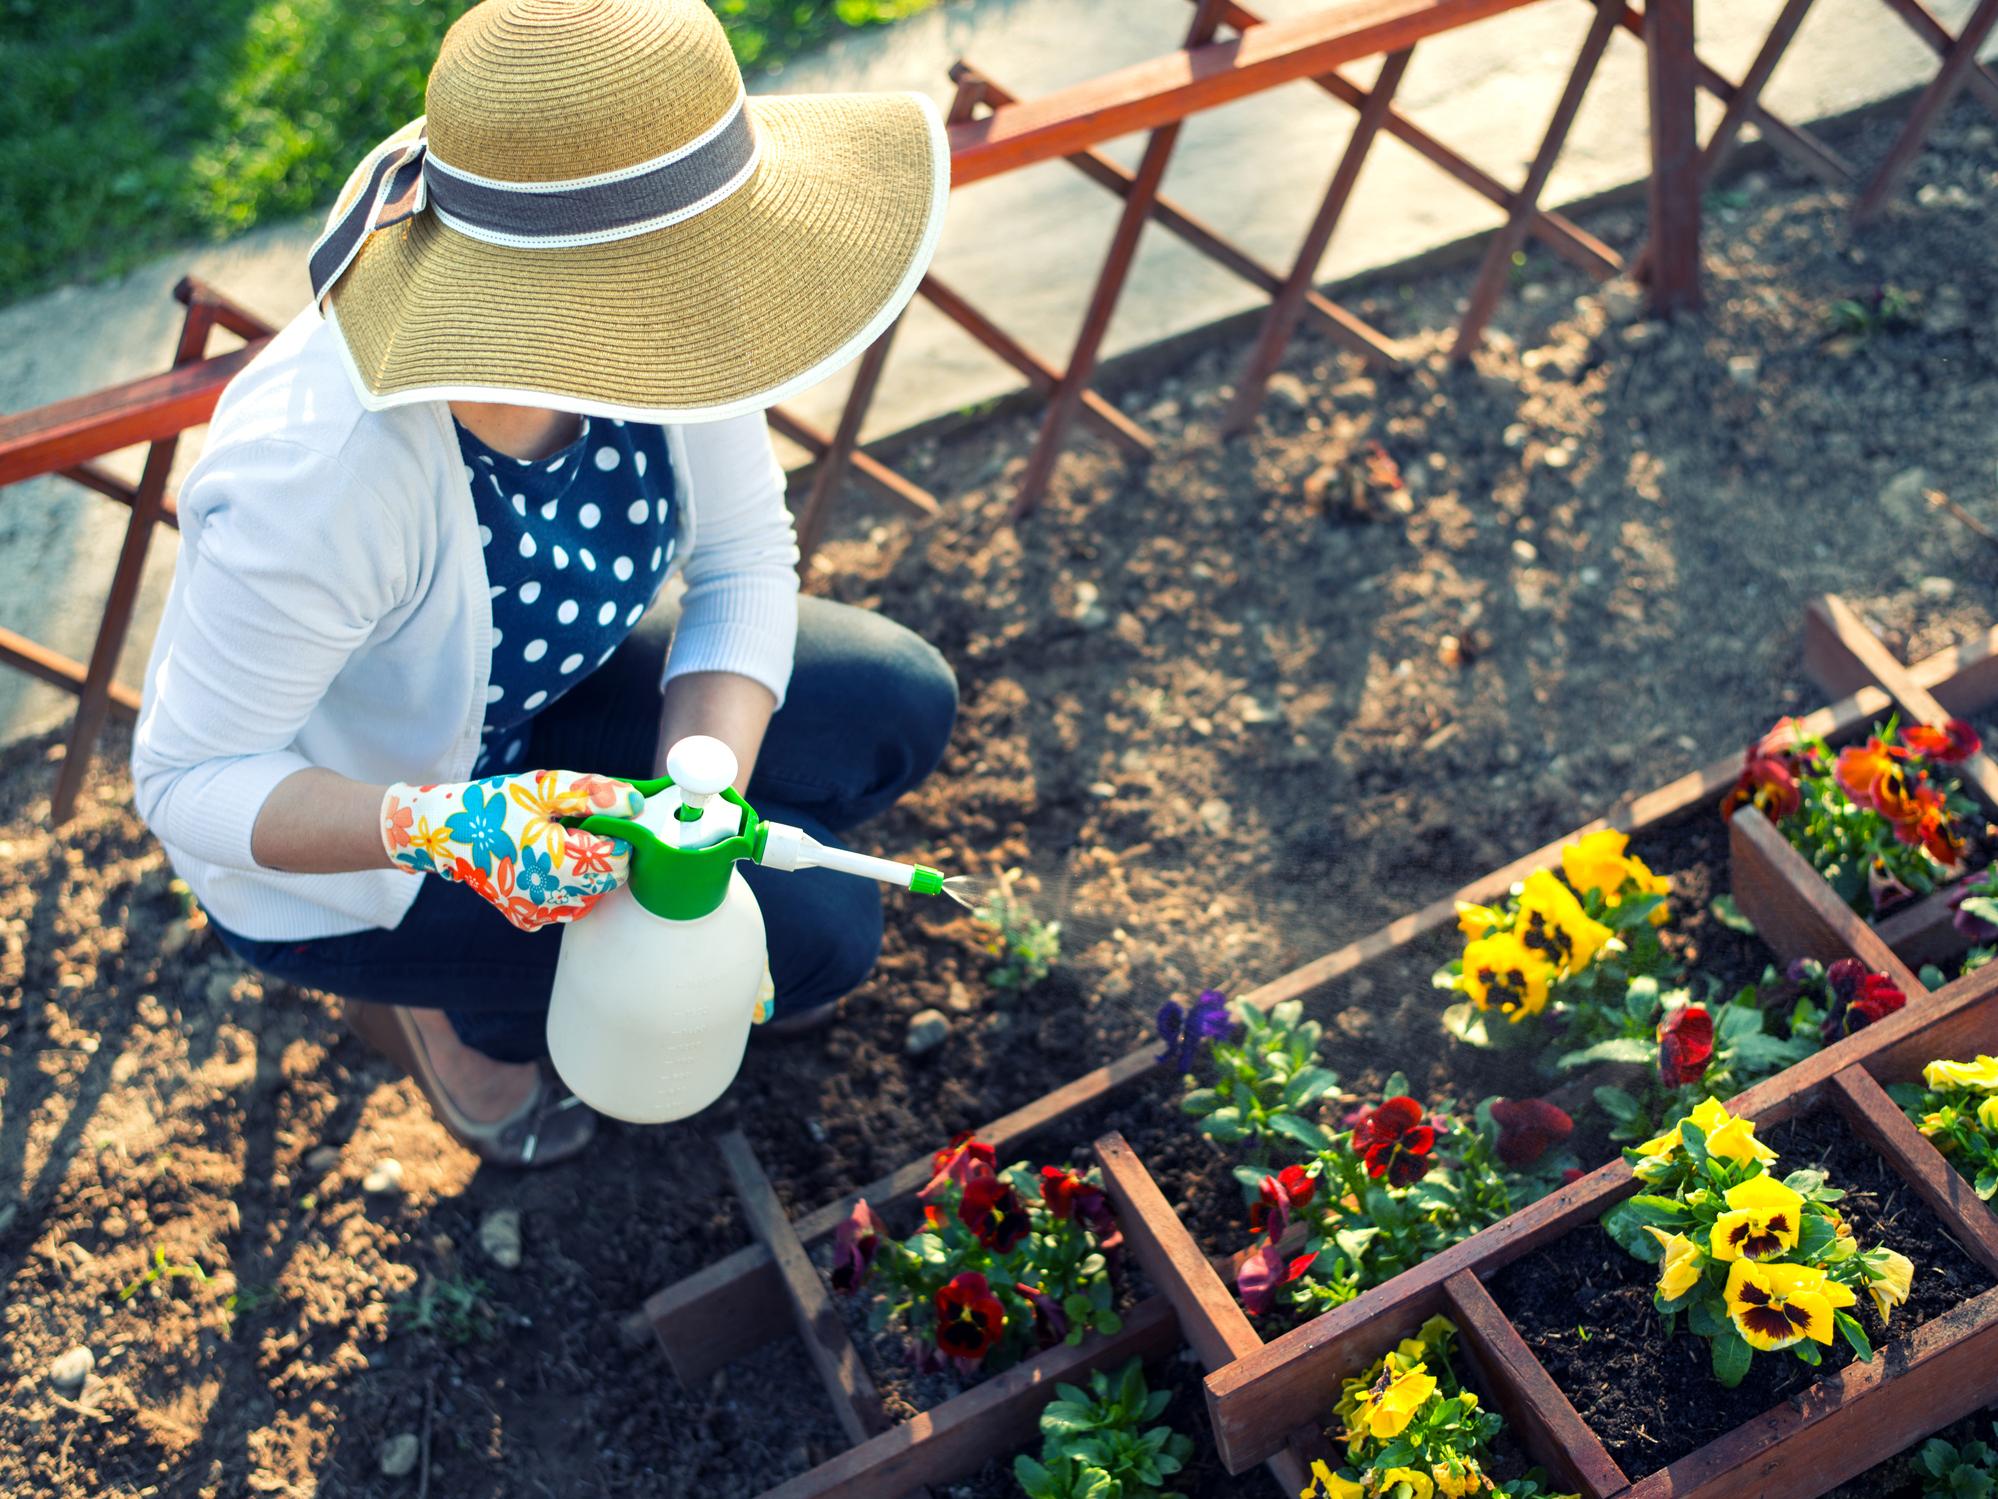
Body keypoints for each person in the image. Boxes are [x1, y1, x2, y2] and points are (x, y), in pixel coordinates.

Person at [130, 0, 956, 1167]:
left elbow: (741, 562)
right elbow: (185, 780)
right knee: (825, 927)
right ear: (565, 302)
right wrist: (437, 826)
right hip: (367, 831)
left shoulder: (666, 318)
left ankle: (553, 958)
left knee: (894, 700)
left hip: (527, 701)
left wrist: (692, 806)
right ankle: (473, 1014)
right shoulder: (323, 479)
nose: (725, 291)